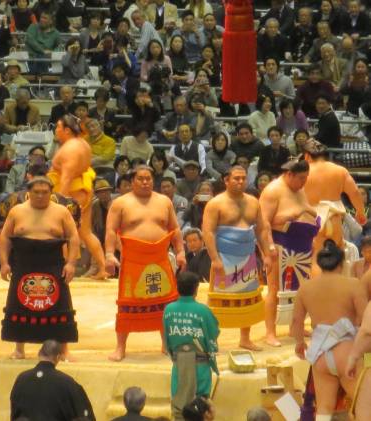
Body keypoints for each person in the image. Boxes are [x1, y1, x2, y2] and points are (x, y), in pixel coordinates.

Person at [105, 165, 185, 361]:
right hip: (133, 259)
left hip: (159, 258)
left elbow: (174, 229)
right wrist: (108, 254)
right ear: (132, 181)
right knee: (127, 305)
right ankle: (120, 347)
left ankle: (166, 344)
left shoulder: (164, 201)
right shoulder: (120, 203)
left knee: (166, 304)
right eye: (140, 178)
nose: (145, 182)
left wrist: (181, 251)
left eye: (148, 178)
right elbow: (110, 230)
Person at [0, 176, 79, 359]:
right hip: (23, 262)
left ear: (51, 193)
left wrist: (71, 263)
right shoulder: (16, 211)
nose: (41, 196)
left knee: (59, 307)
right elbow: (5, 238)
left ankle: (64, 350)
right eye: (36, 192)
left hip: (53, 263)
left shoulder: (62, 212)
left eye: (45, 192)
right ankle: (19, 349)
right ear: (29, 192)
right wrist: (4, 263)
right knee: (20, 305)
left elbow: (73, 237)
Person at [292, 240, 367, 420]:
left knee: (324, 408)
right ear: (342, 264)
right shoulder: (354, 285)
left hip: (320, 354)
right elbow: (366, 319)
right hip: (347, 351)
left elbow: (296, 321)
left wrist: (299, 343)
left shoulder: (305, 288)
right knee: (363, 404)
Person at [202, 166, 271, 351]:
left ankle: (245, 339)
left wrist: (266, 254)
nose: (240, 182)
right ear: (226, 180)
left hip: (247, 256)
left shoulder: (253, 202)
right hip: (224, 257)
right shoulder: (216, 203)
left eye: (243, 178)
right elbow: (208, 232)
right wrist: (215, 259)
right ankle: (212, 340)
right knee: (219, 300)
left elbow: (261, 230)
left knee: (247, 299)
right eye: (236, 178)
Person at [260, 159, 319, 346]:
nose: (304, 182)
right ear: (289, 174)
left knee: (301, 289)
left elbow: (306, 211)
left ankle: (297, 326)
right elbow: (264, 224)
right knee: (275, 289)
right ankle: (270, 333)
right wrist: (269, 249)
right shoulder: (272, 191)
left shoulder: (299, 189)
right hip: (279, 243)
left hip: (301, 243)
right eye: (301, 178)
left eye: (306, 178)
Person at [47, 115, 107, 279]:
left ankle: (63, 268)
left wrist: (60, 202)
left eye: (58, 127)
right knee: (85, 232)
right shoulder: (82, 143)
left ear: (67, 130)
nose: (56, 130)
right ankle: (102, 268)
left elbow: (66, 177)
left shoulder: (70, 149)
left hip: (71, 193)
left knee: (62, 232)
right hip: (81, 190)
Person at [303, 138, 366, 277]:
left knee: (316, 258)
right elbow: (355, 193)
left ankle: (321, 293)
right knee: (339, 256)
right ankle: (340, 291)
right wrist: (360, 213)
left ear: (307, 156)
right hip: (334, 219)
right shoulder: (339, 170)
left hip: (313, 220)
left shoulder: (303, 173)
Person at [164, 271, 218, 420]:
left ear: (177, 287)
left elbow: (167, 340)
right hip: (200, 368)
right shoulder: (203, 311)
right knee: (201, 408)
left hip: (179, 365)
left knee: (179, 408)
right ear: (196, 289)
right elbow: (213, 334)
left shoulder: (168, 310)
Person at [10, 340, 95, 421]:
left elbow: (14, 414)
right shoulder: (67, 382)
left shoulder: (21, 379)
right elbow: (85, 416)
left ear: (39, 353)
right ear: (58, 357)